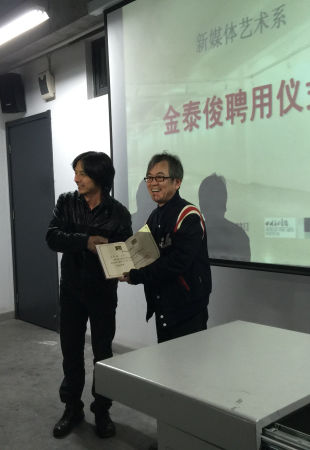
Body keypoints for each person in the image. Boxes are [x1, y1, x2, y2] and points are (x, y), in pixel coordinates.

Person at [46, 151, 132, 439]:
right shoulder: (66, 203)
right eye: (76, 172)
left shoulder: (118, 213)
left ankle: (102, 410)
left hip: (103, 293)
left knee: (103, 354)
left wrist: (126, 263)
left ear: (99, 176)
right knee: (71, 351)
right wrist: (85, 242)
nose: (76, 179)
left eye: (82, 173)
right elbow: (52, 237)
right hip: (71, 290)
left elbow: (125, 253)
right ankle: (72, 408)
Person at [120, 152, 211, 343]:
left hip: (187, 308)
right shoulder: (154, 217)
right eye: (150, 178)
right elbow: (143, 255)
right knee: (166, 358)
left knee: (191, 358)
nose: (153, 183)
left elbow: (177, 262)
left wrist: (137, 275)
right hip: (163, 304)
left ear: (177, 182)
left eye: (160, 177)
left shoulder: (189, 215)